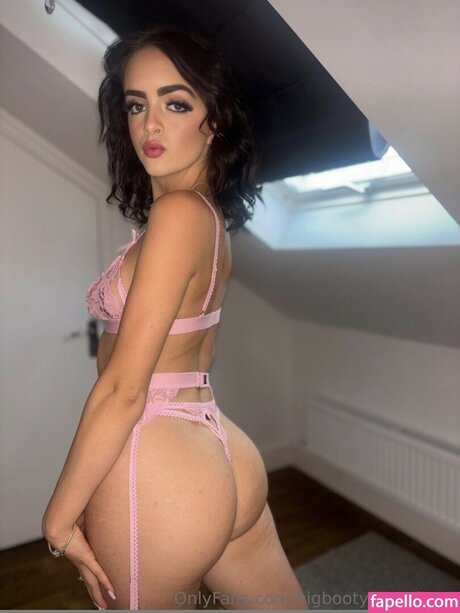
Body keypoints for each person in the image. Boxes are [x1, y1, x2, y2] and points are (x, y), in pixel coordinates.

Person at [41, 26, 309, 611]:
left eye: (176, 103)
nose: (150, 125)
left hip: (158, 460)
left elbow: (123, 389)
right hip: (216, 447)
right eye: (137, 105)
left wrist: (59, 516)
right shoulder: (207, 217)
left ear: (214, 120)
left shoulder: (180, 215)